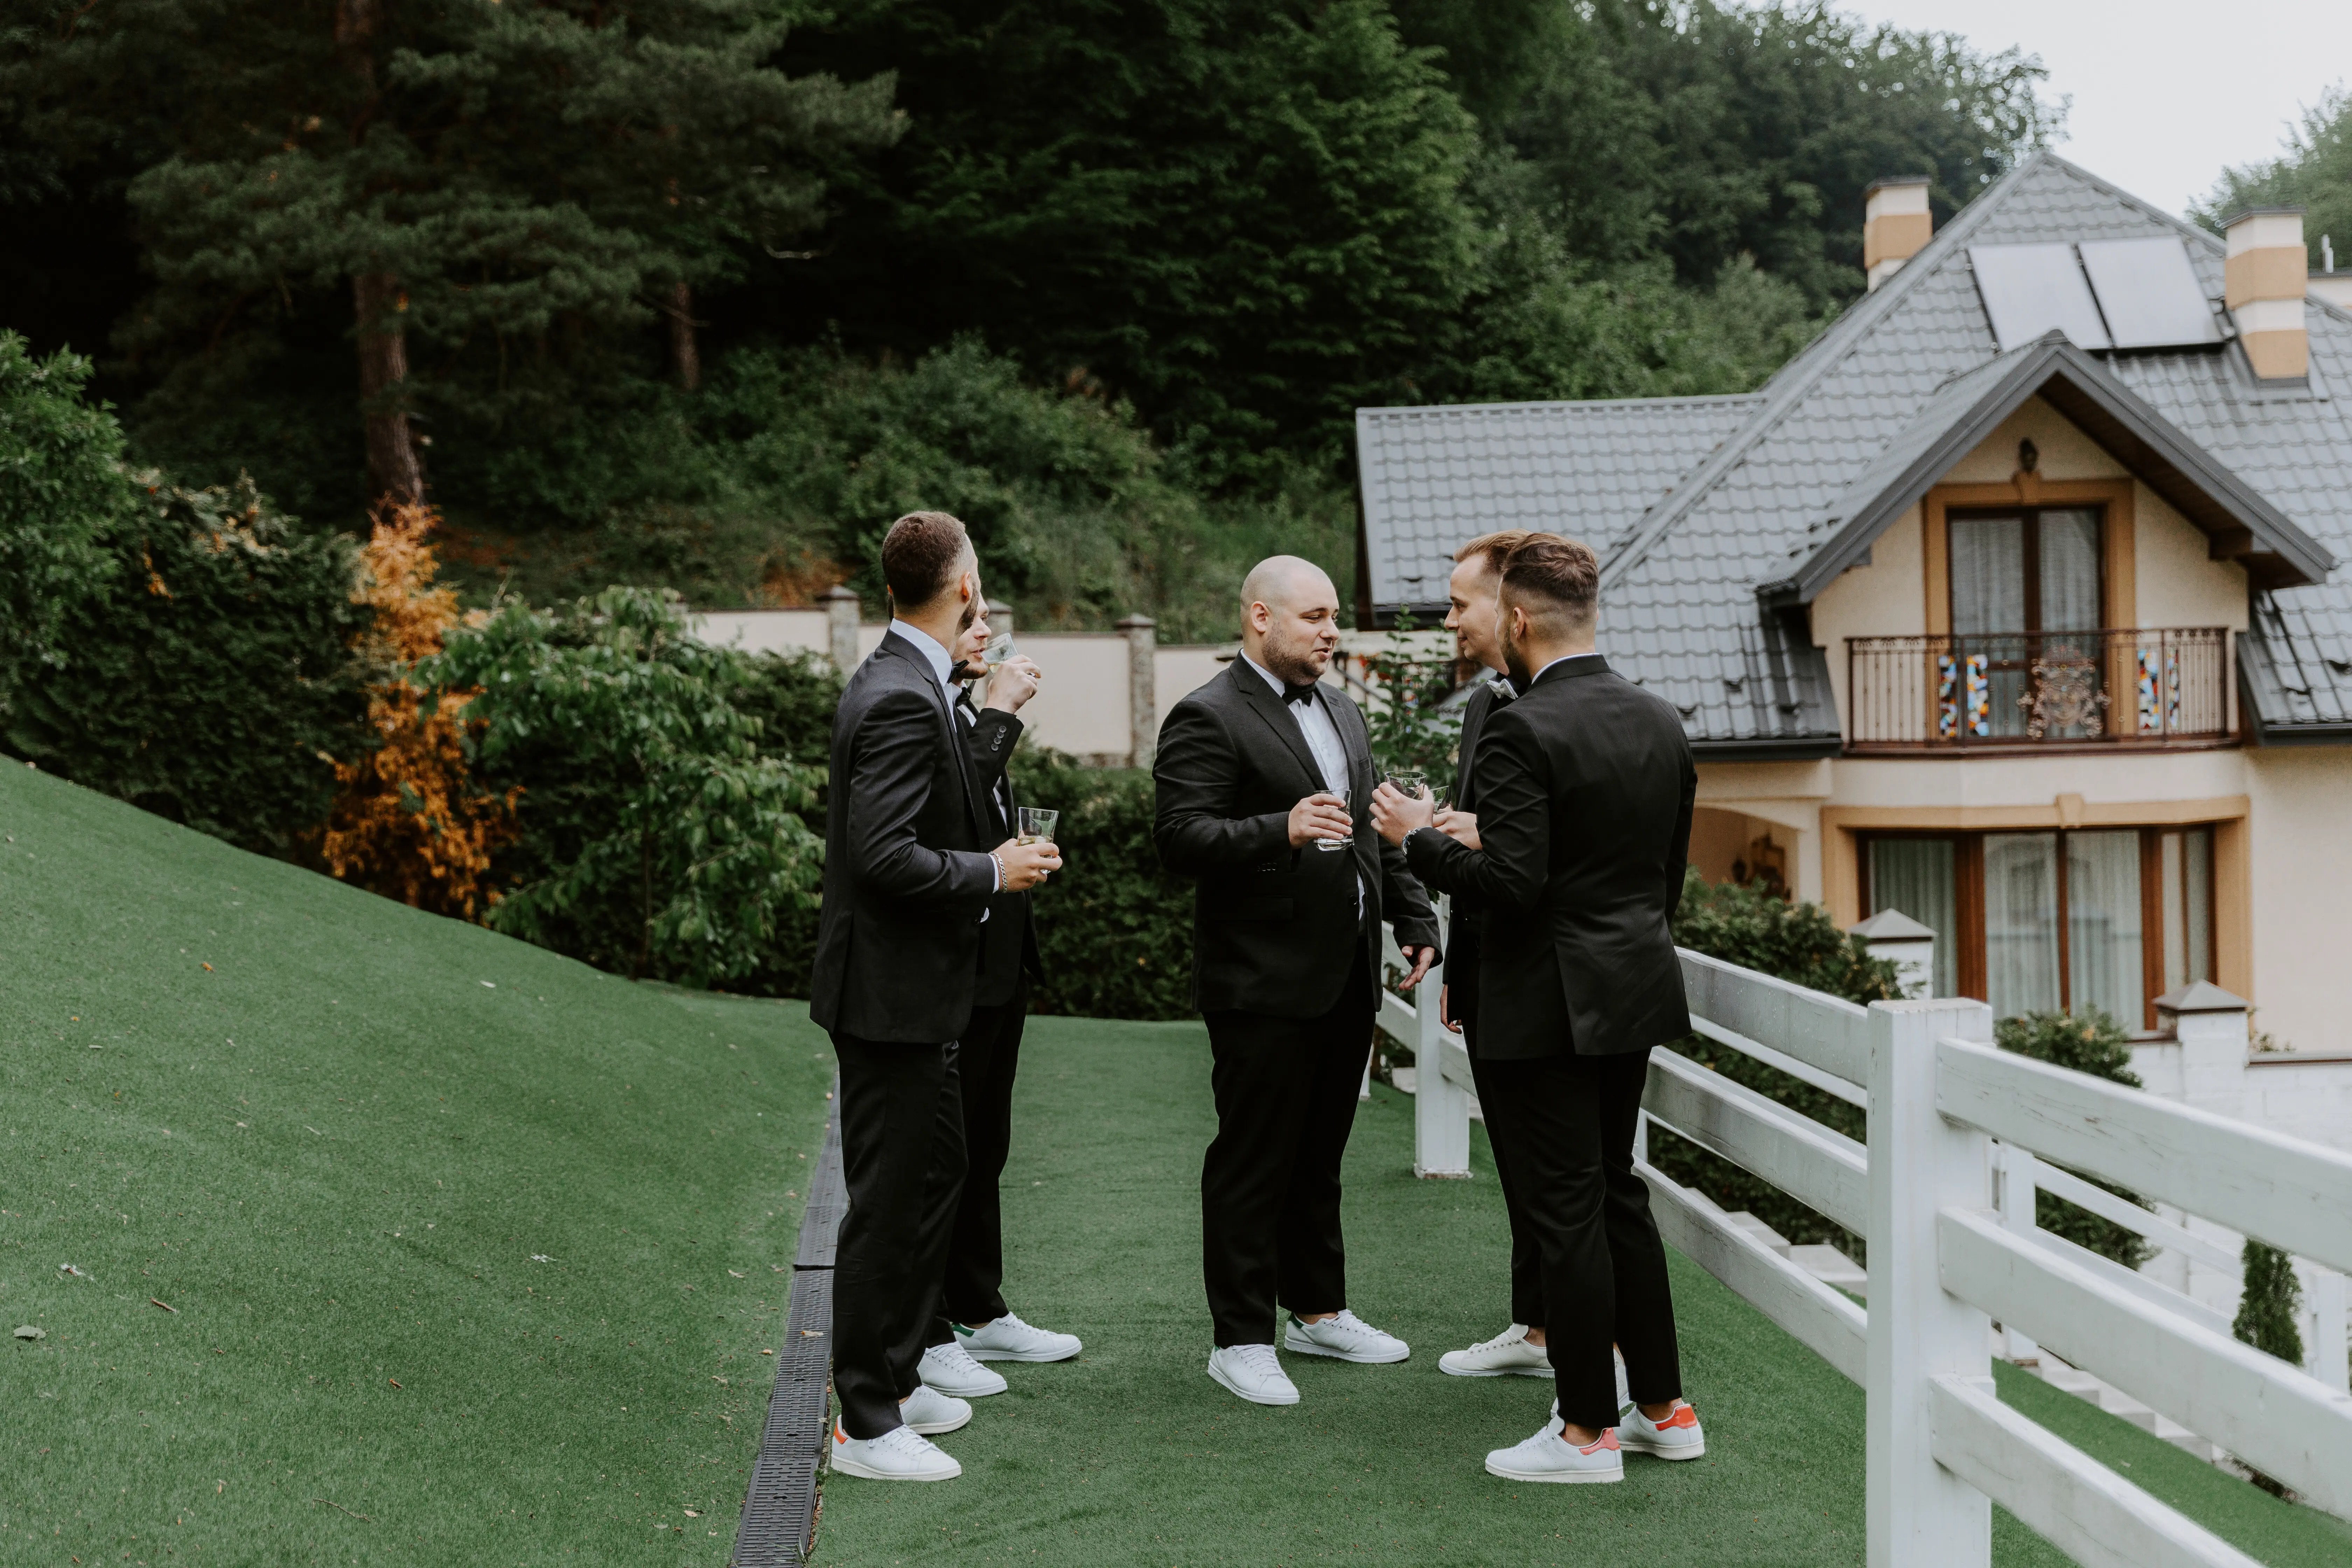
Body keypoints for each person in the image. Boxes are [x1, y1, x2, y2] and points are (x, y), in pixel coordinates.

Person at [1370, 534, 1704, 1484]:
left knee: (1566, 1213)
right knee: (1616, 1194)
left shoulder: (1522, 728)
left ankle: (1586, 1432)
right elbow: (1651, 879)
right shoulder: (1661, 720)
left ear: (1518, 619)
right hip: (1631, 990)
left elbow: (1513, 888)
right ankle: (1665, 1410)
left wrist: (1412, 842)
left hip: (1545, 1004)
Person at [1153, 555, 1443, 1407]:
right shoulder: (1206, 715)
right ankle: (1239, 1337)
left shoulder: (1344, 710)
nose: (1332, 631)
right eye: (1315, 616)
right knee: (1253, 1158)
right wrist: (1274, 828)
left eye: (1336, 616)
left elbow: (1371, 837)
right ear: (1259, 618)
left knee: (1319, 1155)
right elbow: (1177, 840)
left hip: (1345, 974)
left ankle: (1316, 1311)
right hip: (1259, 980)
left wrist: (1415, 916)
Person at [809, 511, 1063, 1483]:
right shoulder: (901, 697)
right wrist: (991, 873)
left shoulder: (915, 678)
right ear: (964, 588)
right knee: (885, 1203)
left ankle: (903, 1373)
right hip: (890, 996)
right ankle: (865, 1424)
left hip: (925, 994)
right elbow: (880, 858)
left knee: (938, 1173)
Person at [913, 615, 1086, 1404]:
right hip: (953, 970)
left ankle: (979, 1307)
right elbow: (944, 819)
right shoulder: (934, 710)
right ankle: (934, 1327)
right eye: (977, 625)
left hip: (999, 965)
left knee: (986, 1145)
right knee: (945, 1157)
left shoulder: (961, 711)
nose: (990, 639)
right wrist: (1001, 717)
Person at [1422, 529, 1557, 1384]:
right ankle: (1536, 1325)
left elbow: (1537, 857)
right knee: (1517, 1163)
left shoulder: (1569, 710)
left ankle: (1583, 1347)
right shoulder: (1483, 704)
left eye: (1460, 604)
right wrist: (1457, 971)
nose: (1449, 621)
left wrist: (1430, 842)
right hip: (1492, 969)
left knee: (1561, 1178)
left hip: (1556, 982)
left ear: (1510, 608)